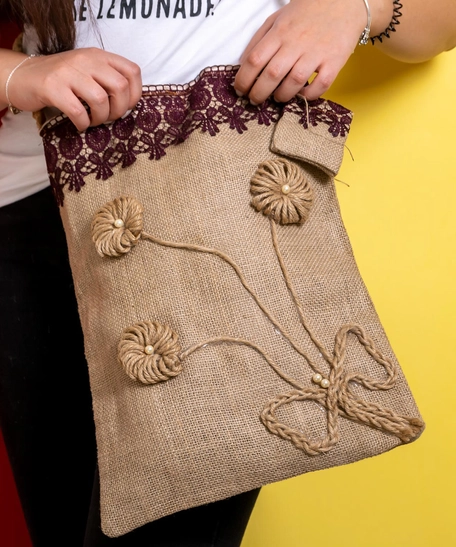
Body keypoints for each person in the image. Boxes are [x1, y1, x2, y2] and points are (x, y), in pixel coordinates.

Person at [0, 1, 455, 545]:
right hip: (28, 215)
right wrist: (19, 73)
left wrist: (356, 6)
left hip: (211, 201)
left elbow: (440, 23)